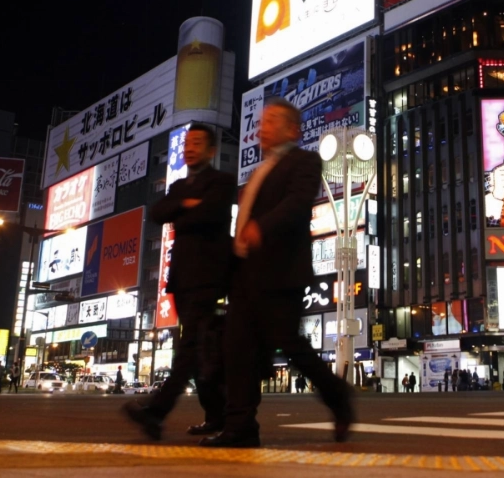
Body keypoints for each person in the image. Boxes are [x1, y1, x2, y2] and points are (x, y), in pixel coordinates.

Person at [205, 99, 354, 448]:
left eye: (271, 121)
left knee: (291, 345)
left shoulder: (304, 161)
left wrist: (261, 228)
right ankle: (240, 426)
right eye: (262, 121)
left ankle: (338, 395)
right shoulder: (260, 169)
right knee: (237, 348)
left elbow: (298, 203)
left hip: (280, 269)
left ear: (292, 129)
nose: (262, 127)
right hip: (245, 273)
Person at [123, 123, 235, 441]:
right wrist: (187, 206)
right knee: (200, 351)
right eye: (187, 142)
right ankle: (218, 415)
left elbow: (210, 214)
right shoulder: (178, 188)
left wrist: (185, 210)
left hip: (209, 276)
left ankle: (156, 411)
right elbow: (158, 212)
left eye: (197, 142)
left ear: (211, 150)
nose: (189, 147)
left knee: (190, 348)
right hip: (182, 277)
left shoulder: (222, 182)